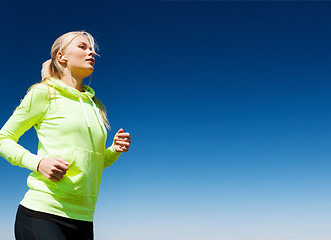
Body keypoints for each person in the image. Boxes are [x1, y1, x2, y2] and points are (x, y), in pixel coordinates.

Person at [0, 31, 131, 240]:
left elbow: (91, 163)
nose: (91, 53)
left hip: (84, 220)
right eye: (83, 47)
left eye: (92, 50)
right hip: (42, 213)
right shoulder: (44, 93)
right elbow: (3, 139)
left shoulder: (95, 105)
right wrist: (38, 163)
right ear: (62, 56)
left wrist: (114, 150)